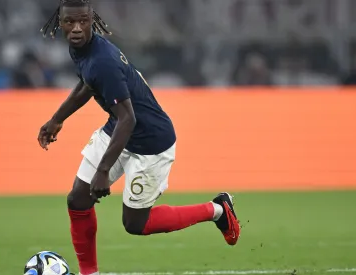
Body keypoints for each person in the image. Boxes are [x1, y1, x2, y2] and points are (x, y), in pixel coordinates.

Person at [37, 1, 241, 275]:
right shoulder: (83, 50)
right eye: (69, 22)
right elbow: (88, 83)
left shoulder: (102, 61)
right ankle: (89, 273)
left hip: (150, 142)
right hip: (119, 128)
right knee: (78, 200)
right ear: (58, 23)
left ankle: (216, 210)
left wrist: (103, 171)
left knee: (135, 224)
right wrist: (57, 118)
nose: (76, 28)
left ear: (92, 20)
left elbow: (128, 118)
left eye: (83, 21)